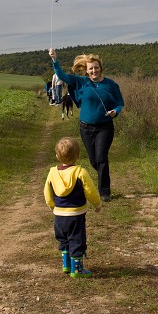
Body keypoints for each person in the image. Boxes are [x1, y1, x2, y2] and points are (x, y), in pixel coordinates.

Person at [48, 48, 124, 202]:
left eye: (96, 67)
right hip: (86, 127)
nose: (94, 70)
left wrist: (115, 111)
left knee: (101, 158)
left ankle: (104, 193)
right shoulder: (81, 82)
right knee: (93, 160)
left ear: (100, 68)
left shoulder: (111, 85)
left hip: (105, 127)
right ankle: (104, 174)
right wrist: (55, 60)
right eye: (91, 68)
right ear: (87, 71)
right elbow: (62, 76)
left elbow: (119, 103)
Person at [44, 137, 101, 278]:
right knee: (76, 239)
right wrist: (97, 204)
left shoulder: (52, 172)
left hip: (59, 215)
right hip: (76, 214)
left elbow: (47, 192)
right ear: (78, 156)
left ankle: (66, 265)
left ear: (57, 156)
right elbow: (90, 191)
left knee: (63, 239)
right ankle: (77, 270)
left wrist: (52, 205)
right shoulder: (80, 172)